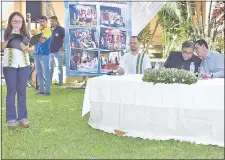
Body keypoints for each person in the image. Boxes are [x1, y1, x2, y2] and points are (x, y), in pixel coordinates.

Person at [1, 12, 34, 129]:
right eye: (14, 21)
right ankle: (11, 119)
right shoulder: (4, 32)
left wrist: (27, 48)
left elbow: (32, 48)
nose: (17, 23)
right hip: (10, 65)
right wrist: (9, 38)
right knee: (11, 91)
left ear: (22, 22)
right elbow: (1, 47)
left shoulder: (26, 32)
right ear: (10, 21)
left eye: (19, 21)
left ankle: (23, 118)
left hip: (24, 65)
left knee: (22, 91)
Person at [30, 16, 52, 95]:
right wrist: (32, 30)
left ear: (46, 22)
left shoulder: (48, 30)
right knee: (39, 73)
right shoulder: (38, 29)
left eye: (43, 21)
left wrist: (35, 36)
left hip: (45, 54)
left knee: (46, 73)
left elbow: (43, 40)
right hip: (37, 53)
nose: (41, 23)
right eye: (40, 21)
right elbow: (31, 32)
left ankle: (48, 91)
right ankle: (41, 90)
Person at [49, 16, 65, 86]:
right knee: (50, 67)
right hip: (50, 52)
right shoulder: (49, 30)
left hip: (58, 51)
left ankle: (60, 82)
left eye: (53, 21)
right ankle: (49, 82)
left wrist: (62, 47)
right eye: (50, 21)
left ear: (56, 21)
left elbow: (65, 39)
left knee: (59, 67)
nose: (51, 22)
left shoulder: (61, 29)